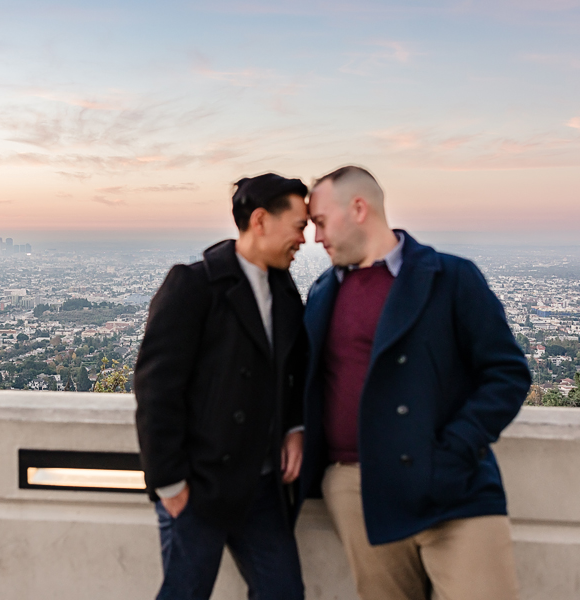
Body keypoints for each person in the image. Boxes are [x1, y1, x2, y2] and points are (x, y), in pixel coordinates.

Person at [297, 165, 531, 600]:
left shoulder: (451, 277)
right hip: (358, 491)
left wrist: (457, 449)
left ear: (359, 209)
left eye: (321, 222)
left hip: (455, 489)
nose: (316, 237)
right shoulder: (323, 291)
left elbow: (507, 373)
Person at [135, 173, 310, 600]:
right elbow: (156, 389)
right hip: (199, 485)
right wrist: (170, 484)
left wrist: (294, 427)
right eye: (299, 226)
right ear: (261, 220)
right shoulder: (194, 285)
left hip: (262, 485)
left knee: (284, 593)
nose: (304, 239)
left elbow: (292, 369)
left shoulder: (284, 290)